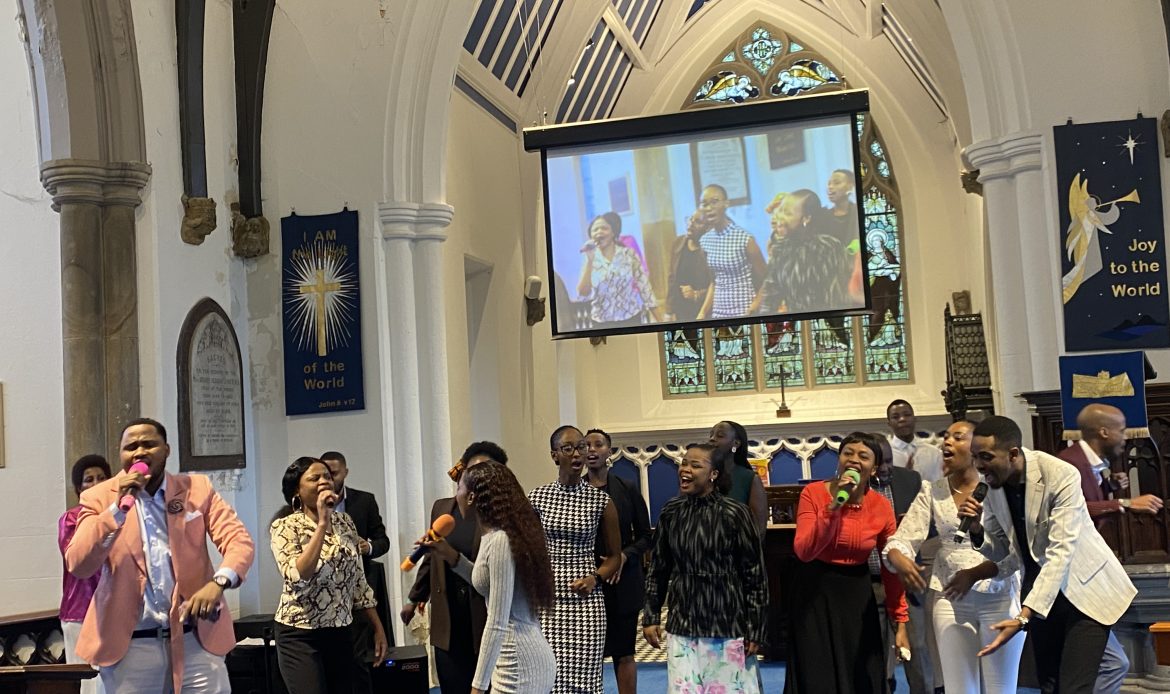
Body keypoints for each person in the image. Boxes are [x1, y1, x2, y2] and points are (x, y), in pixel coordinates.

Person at [64, 418, 255, 693]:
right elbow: (78, 564)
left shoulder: (197, 488)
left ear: (166, 450)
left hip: (195, 641)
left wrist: (218, 583)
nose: (139, 452)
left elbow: (239, 541)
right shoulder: (98, 497)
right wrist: (116, 509)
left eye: (148, 444)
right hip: (131, 647)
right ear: (120, 454)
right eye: (131, 447)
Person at [959, 416, 1138, 693]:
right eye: (975, 457)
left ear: (1013, 454)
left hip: (1083, 591)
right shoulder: (992, 486)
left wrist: (1024, 616)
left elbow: (1061, 552)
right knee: (1050, 686)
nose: (979, 466)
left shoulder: (1059, 474)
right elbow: (1001, 550)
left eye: (986, 457)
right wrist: (976, 529)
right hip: (1040, 592)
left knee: (1074, 688)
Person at [884, 420, 1024, 693]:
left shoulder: (998, 487)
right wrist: (900, 558)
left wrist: (974, 573)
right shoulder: (932, 490)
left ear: (977, 447)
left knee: (1001, 688)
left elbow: (1014, 552)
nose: (947, 442)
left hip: (998, 595)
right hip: (950, 598)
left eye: (958, 437)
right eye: (946, 436)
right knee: (959, 688)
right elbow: (903, 538)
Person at [786, 432, 910, 693]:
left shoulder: (881, 506)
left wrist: (900, 620)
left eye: (863, 456)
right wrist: (833, 508)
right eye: (848, 453)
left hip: (856, 595)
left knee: (861, 675)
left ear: (873, 468)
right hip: (814, 592)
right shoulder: (813, 493)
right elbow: (804, 551)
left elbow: (890, 568)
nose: (854, 460)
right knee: (818, 676)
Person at [643, 443, 767, 693]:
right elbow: (658, 568)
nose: (685, 469)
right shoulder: (671, 512)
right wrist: (651, 616)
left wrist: (756, 628)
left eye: (695, 465)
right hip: (683, 624)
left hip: (727, 624)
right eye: (684, 463)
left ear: (714, 474)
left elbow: (754, 574)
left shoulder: (735, 513)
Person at [427, 461, 557, 694]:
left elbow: (497, 622)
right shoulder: (496, 537)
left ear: (471, 498)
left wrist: (478, 686)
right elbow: (485, 582)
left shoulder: (499, 541)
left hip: (518, 664)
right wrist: (449, 554)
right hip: (517, 657)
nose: (456, 495)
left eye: (459, 488)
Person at [1059, 404, 1162, 692]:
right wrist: (1125, 502)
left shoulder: (1090, 462)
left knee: (1113, 664)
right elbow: (1074, 509)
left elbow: (1087, 500)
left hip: (1084, 576)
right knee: (1112, 664)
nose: (1125, 437)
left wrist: (1111, 488)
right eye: (1121, 430)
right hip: (1073, 579)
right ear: (1104, 432)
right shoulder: (1069, 464)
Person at [270, 457, 389, 694]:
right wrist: (322, 523)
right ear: (297, 491)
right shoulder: (285, 527)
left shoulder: (345, 522)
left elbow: (358, 581)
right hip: (300, 634)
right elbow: (298, 575)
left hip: (341, 630)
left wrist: (378, 628)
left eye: (327, 476)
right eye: (314, 478)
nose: (324, 481)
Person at [404, 441, 510, 694]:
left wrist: (452, 556)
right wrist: (415, 597)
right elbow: (432, 554)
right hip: (448, 613)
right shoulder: (443, 508)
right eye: (473, 471)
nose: (478, 478)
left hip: (484, 615)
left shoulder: (504, 517)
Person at [529, 425, 623, 694]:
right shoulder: (537, 498)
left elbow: (614, 557)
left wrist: (595, 578)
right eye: (568, 448)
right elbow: (527, 551)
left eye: (581, 447)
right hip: (549, 601)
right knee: (549, 677)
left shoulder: (600, 501)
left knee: (585, 681)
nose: (577, 454)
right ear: (554, 455)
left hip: (586, 600)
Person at [583, 429, 653, 694]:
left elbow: (646, 536)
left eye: (598, 445)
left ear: (609, 452)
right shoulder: (574, 490)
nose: (592, 450)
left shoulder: (627, 488)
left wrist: (622, 557)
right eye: (586, 445)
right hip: (588, 581)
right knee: (588, 654)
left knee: (624, 652)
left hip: (623, 580)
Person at [319, 450, 392, 693]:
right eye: (324, 474)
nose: (329, 479)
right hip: (325, 591)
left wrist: (367, 547)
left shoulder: (364, 501)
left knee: (356, 658)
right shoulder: (310, 505)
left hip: (358, 588)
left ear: (346, 473)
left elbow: (383, 541)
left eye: (334, 473)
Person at [872, 438, 925, 693]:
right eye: (879, 463)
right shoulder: (853, 487)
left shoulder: (910, 480)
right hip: (871, 582)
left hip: (906, 580)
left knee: (918, 652)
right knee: (878, 657)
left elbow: (930, 525)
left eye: (889, 461)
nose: (885, 468)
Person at [751, 189, 851, 322]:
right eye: (781, 211)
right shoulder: (780, 250)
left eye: (788, 213)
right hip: (797, 326)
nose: (780, 217)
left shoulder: (828, 248)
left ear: (806, 218)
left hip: (829, 325)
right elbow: (770, 298)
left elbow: (838, 297)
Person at [57, 454, 111, 694]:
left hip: (115, 609)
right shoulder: (70, 519)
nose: (96, 483)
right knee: (88, 682)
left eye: (102, 477)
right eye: (89, 479)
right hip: (80, 609)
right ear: (79, 488)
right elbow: (77, 558)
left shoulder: (123, 514)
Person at [576, 212, 663, 327]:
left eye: (604, 228)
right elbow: (583, 293)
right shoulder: (590, 258)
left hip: (631, 318)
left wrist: (662, 323)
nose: (599, 232)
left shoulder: (629, 254)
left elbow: (645, 289)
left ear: (613, 232)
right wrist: (589, 261)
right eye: (595, 230)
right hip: (602, 323)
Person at [693, 183, 767, 319]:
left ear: (726, 204)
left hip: (744, 310)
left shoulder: (745, 239)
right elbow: (714, 282)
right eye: (704, 204)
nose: (709, 208)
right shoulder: (705, 241)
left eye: (714, 202)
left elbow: (767, 279)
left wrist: (755, 306)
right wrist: (702, 312)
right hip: (718, 312)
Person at [708, 420, 768, 532]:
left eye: (720, 435)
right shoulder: (702, 475)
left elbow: (758, 528)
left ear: (736, 443)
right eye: (711, 435)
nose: (712, 439)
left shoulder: (749, 479)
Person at [666, 210, 712, 322]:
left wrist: (696, 294)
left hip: (704, 311)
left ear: (707, 228)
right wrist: (669, 311)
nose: (691, 224)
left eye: (697, 222)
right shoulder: (678, 243)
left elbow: (717, 285)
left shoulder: (711, 249)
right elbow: (672, 278)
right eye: (690, 219)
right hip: (681, 311)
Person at [886, 400, 943, 483]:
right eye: (895, 417)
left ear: (915, 419)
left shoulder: (934, 453)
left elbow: (941, 484)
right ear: (889, 423)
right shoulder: (884, 455)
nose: (902, 419)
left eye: (907, 415)